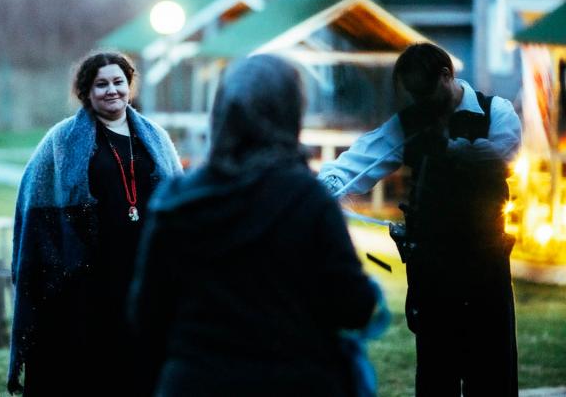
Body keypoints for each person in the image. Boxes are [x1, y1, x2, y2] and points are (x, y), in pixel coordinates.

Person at [128, 54, 385, 397]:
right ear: (290, 114)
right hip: (292, 381)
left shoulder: (176, 198)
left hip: (197, 381)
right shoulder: (308, 199)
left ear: (221, 114)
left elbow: (146, 313)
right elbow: (354, 307)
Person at [319, 42, 521, 396]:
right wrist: (328, 184)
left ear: (446, 76)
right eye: (413, 95)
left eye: (425, 92)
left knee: (493, 372)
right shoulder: (410, 123)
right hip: (432, 271)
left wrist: (447, 148)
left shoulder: (497, 112)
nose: (420, 102)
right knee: (435, 375)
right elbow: (363, 157)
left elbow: (499, 159)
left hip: (485, 265)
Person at [7, 51, 183, 396]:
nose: (112, 90)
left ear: (129, 86)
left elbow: (177, 199)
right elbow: (34, 205)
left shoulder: (156, 138)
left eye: (118, 82)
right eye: (101, 84)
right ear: (86, 92)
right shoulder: (61, 140)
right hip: (86, 280)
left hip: (142, 274)